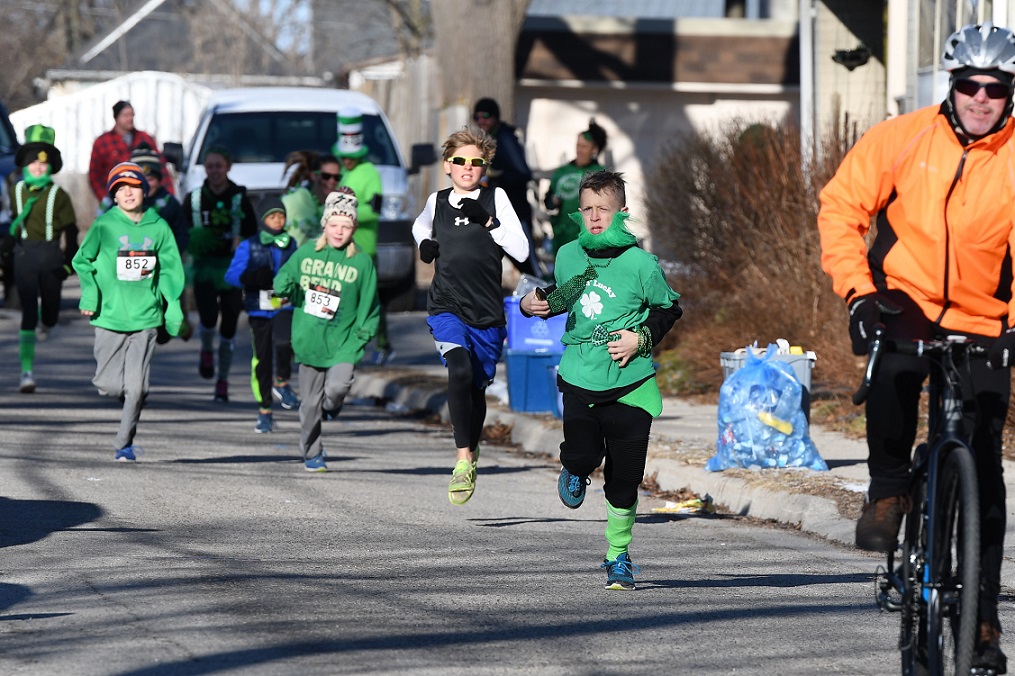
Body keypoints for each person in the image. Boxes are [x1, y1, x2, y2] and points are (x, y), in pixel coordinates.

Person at [817, 22, 1015, 672]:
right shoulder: (902, 139)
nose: (981, 98)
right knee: (893, 370)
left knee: (983, 467)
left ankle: (980, 619)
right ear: (950, 86)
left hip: (984, 319)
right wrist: (857, 293)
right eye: (969, 85)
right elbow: (842, 208)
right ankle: (887, 489)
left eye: (996, 87)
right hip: (902, 301)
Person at [519, 171, 681, 590]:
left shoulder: (642, 264)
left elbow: (669, 309)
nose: (593, 218)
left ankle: (618, 556)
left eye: (602, 210)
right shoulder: (570, 254)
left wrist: (640, 338)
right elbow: (563, 295)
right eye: (587, 209)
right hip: (580, 379)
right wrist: (529, 305)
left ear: (621, 212)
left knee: (625, 480)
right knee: (583, 451)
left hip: (631, 385)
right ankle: (573, 465)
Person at [412, 127, 530, 505]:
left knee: (476, 388)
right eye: (460, 160)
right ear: (447, 165)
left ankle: (472, 447)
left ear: (485, 167)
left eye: (476, 162)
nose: (467, 167)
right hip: (447, 306)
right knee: (458, 370)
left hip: (487, 314)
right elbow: (419, 225)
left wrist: (489, 223)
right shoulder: (438, 200)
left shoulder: (496, 198)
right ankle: (462, 459)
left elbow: (523, 251)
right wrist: (425, 244)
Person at [72, 162, 185, 461]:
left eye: (132, 187)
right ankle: (120, 395)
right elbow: (81, 261)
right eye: (120, 189)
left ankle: (124, 443)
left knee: (137, 389)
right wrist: (90, 294)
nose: (127, 193)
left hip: (146, 318)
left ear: (143, 191)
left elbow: (171, 271)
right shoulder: (105, 225)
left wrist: (172, 307)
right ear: (113, 196)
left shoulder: (158, 227)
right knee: (109, 386)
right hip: (110, 316)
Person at [273, 188, 379, 471]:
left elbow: (370, 305)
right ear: (325, 225)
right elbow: (285, 277)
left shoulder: (361, 262)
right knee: (309, 405)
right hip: (310, 338)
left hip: (344, 340)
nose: (339, 232)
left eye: (346, 226)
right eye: (334, 225)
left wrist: (362, 337)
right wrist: (281, 286)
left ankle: (331, 407)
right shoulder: (307, 253)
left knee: (338, 387)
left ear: (354, 227)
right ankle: (312, 453)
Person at [178, 146, 258, 402]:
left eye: (219, 166)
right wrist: (194, 241)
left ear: (228, 167)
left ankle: (222, 380)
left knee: (231, 319)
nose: (214, 171)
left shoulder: (239, 197)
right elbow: (183, 232)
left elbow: (253, 231)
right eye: (210, 166)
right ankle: (206, 348)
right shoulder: (194, 199)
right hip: (204, 268)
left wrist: (242, 245)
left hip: (233, 268)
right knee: (209, 317)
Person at [8, 124, 78, 393]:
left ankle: (45, 319)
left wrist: (68, 263)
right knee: (26, 310)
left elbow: (71, 232)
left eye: (43, 163)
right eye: (32, 162)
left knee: (50, 314)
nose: (38, 167)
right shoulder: (15, 191)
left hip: (50, 255)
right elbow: (13, 223)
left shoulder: (58, 195)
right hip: (24, 254)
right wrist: (6, 251)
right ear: (25, 165)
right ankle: (26, 372)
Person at [224, 195, 299, 433]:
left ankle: (283, 382)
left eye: (281, 216)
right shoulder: (249, 245)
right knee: (262, 359)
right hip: (259, 307)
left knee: (285, 342)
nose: (278, 220)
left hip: (284, 304)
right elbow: (231, 276)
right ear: (263, 219)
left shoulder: (292, 243)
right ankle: (264, 410)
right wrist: (251, 276)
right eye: (272, 216)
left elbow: (299, 270)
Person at [334, 107, 392, 365]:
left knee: (370, 300)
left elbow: (375, 210)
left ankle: (383, 344)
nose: (347, 161)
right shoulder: (342, 172)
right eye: (343, 157)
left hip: (364, 249)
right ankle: (348, 348)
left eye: (351, 157)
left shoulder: (370, 172)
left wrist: (348, 209)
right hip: (342, 248)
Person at [472, 97, 540, 275]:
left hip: (516, 212)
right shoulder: (487, 139)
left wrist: (497, 176)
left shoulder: (504, 137)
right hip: (494, 213)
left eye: (485, 116)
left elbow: (523, 173)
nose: (481, 121)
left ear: (495, 117)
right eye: (477, 117)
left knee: (527, 262)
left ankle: (547, 298)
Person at [88, 100, 173, 210]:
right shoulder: (102, 142)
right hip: (114, 201)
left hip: (147, 201)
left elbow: (161, 167)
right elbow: (94, 175)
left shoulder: (145, 138)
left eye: (132, 115)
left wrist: (168, 194)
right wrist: (104, 198)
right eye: (125, 115)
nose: (130, 118)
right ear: (117, 118)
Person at [543, 119, 607, 254]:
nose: (579, 150)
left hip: (590, 239)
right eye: (578, 145)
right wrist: (553, 202)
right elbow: (548, 202)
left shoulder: (600, 173)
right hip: (564, 237)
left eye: (584, 146)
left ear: (593, 149)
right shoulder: (562, 172)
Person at [280, 151, 341, 246]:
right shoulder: (294, 201)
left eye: (337, 177)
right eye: (326, 176)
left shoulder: (333, 207)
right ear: (314, 176)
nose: (332, 181)